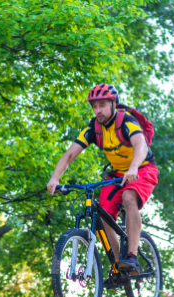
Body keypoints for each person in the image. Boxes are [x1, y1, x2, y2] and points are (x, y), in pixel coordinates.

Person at [46, 83, 159, 280]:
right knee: (104, 214)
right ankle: (118, 265)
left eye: (102, 105)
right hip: (117, 175)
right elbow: (70, 154)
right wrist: (55, 178)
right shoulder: (93, 128)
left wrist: (133, 167)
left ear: (113, 104)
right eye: (94, 106)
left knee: (128, 196)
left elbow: (141, 145)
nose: (98, 110)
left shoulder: (126, 121)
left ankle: (132, 256)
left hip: (143, 169)